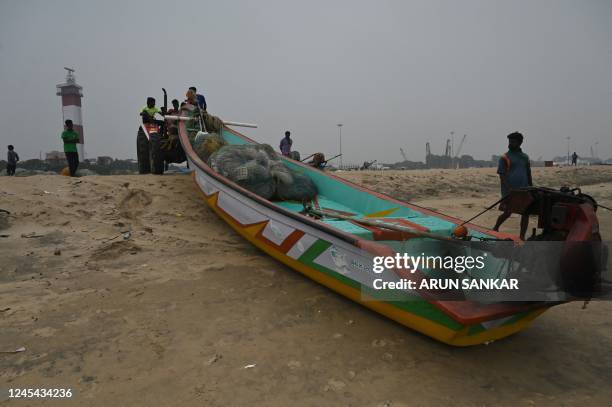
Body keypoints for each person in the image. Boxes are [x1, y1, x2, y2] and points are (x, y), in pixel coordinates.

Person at [493, 131, 533, 239]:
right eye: (509, 141)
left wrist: (531, 187)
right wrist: (509, 189)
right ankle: (495, 228)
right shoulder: (504, 157)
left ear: (520, 143)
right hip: (510, 191)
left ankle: (522, 237)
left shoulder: (525, 157)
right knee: (507, 212)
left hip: (524, 190)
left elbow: (528, 173)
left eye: (513, 142)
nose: (510, 143)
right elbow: (502, 175)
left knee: (525, 213)